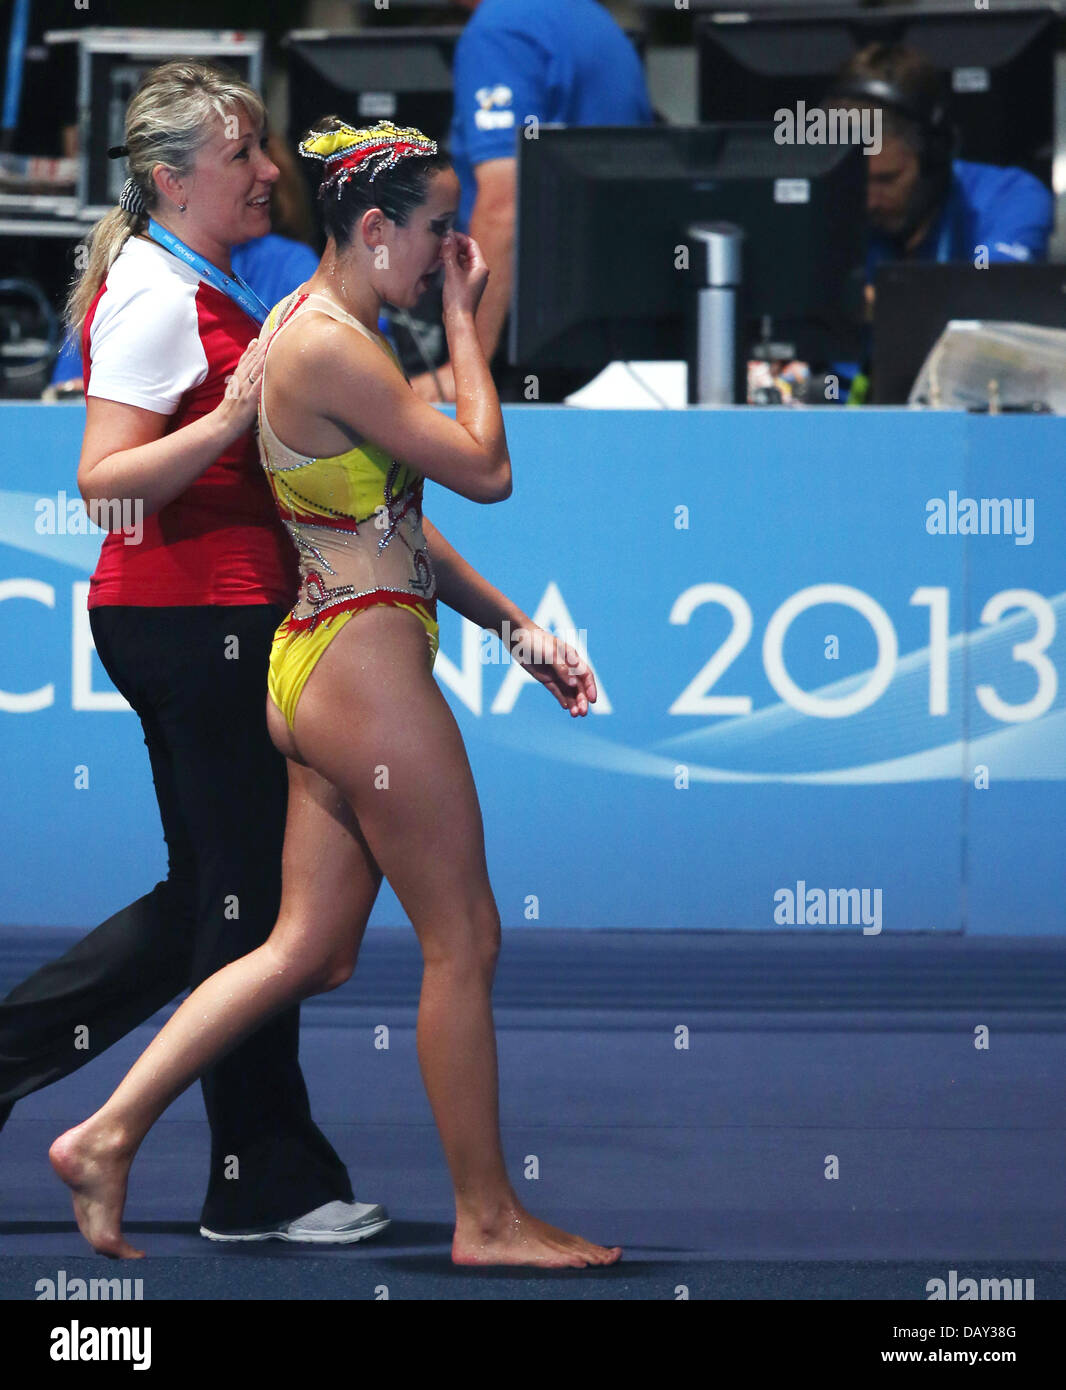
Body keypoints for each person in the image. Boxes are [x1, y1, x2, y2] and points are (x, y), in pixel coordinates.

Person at [48, 116, 623, 1270]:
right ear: (373, 229)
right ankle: (488, 1218)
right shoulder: (331, 346)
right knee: (464, 940)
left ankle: (105, 1134)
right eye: (435, 234)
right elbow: (487, 469)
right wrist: (467, 321)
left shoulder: (321, 331)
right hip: (360, 666)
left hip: (325, 653)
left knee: (307, 947)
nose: (447, 251)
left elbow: (399, 525)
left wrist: (516, 631)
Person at [1, 60, 388, 1246]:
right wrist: (228, 417)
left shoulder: (203, 280)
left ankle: (259, 1171)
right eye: (246, 158)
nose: (272, 171)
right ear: (174, 180)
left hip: (218, 619)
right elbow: (104, 484)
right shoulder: (158, 295)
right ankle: (263, 1178)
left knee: (221, 901)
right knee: (246, 903)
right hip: (186, 620)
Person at [407, 0, 655, 404]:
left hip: (520, 327)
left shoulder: (499, 30)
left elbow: (504, 203)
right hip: (596, 325)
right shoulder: (591, 17)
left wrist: (468, 369)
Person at [829, 43, 1053, 286]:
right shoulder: (825, 213)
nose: (870, 201)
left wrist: (874, 306)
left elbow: (993, 289)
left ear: (934, 157)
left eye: (886, 180)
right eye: (857, 181)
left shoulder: (1008, 198)